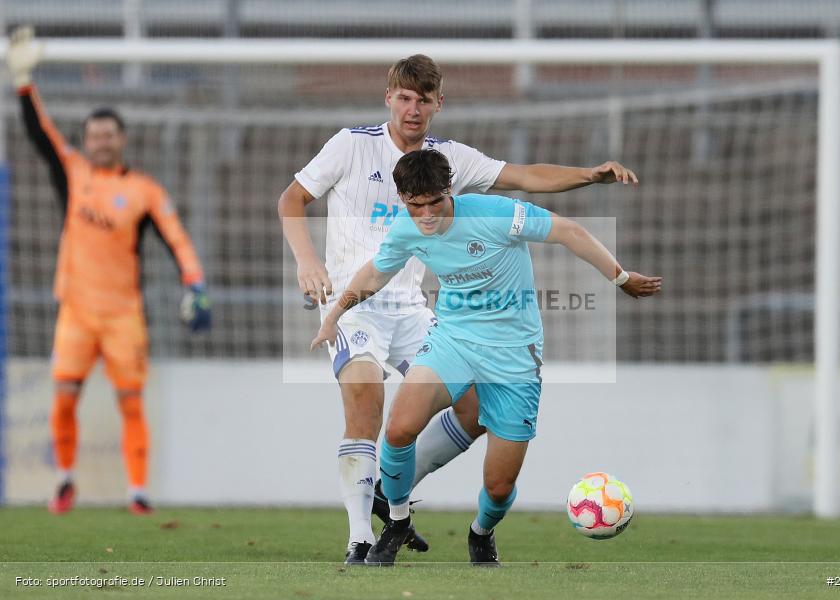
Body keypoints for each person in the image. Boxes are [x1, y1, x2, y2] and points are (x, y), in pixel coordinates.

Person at [279, 53, 638, 563]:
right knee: (367, 398)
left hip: (411, 305)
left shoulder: (449, 160)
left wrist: (591, 175)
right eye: (404, 98)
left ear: (438, 104)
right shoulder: (350, 145)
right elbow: (291, 201)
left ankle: (390, 492)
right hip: (354, 301)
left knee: (474, 410)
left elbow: (525, 177)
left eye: (423, 100)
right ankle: (361, 535)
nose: (412, 109)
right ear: (389, 98)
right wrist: (307, 262)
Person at [6, 26, 212, 515]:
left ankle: (137, 493)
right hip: (75, 310)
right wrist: (23, 82)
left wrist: (195, 281)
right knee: (63, 398)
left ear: (121, 139)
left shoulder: (144, 191)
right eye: (94, 135)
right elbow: (41, 133)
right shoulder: (73, 174)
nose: (100, 141)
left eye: (108, 134)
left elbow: (176, 237)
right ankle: (64, 482)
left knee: (131, 403)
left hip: (123, 313)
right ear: (86, 141)